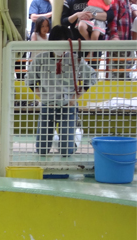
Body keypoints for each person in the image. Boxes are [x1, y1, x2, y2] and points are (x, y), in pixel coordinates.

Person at [25, 25, 98, 156]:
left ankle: (75, 135)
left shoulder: (75, 59)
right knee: (41, 151)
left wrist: (75, 97)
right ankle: (58, 138)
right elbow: (29, 79)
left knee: (66, 152)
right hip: (48, 106)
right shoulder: (40, 59)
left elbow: (92, 76)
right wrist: (41, 95)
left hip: (67, 107)